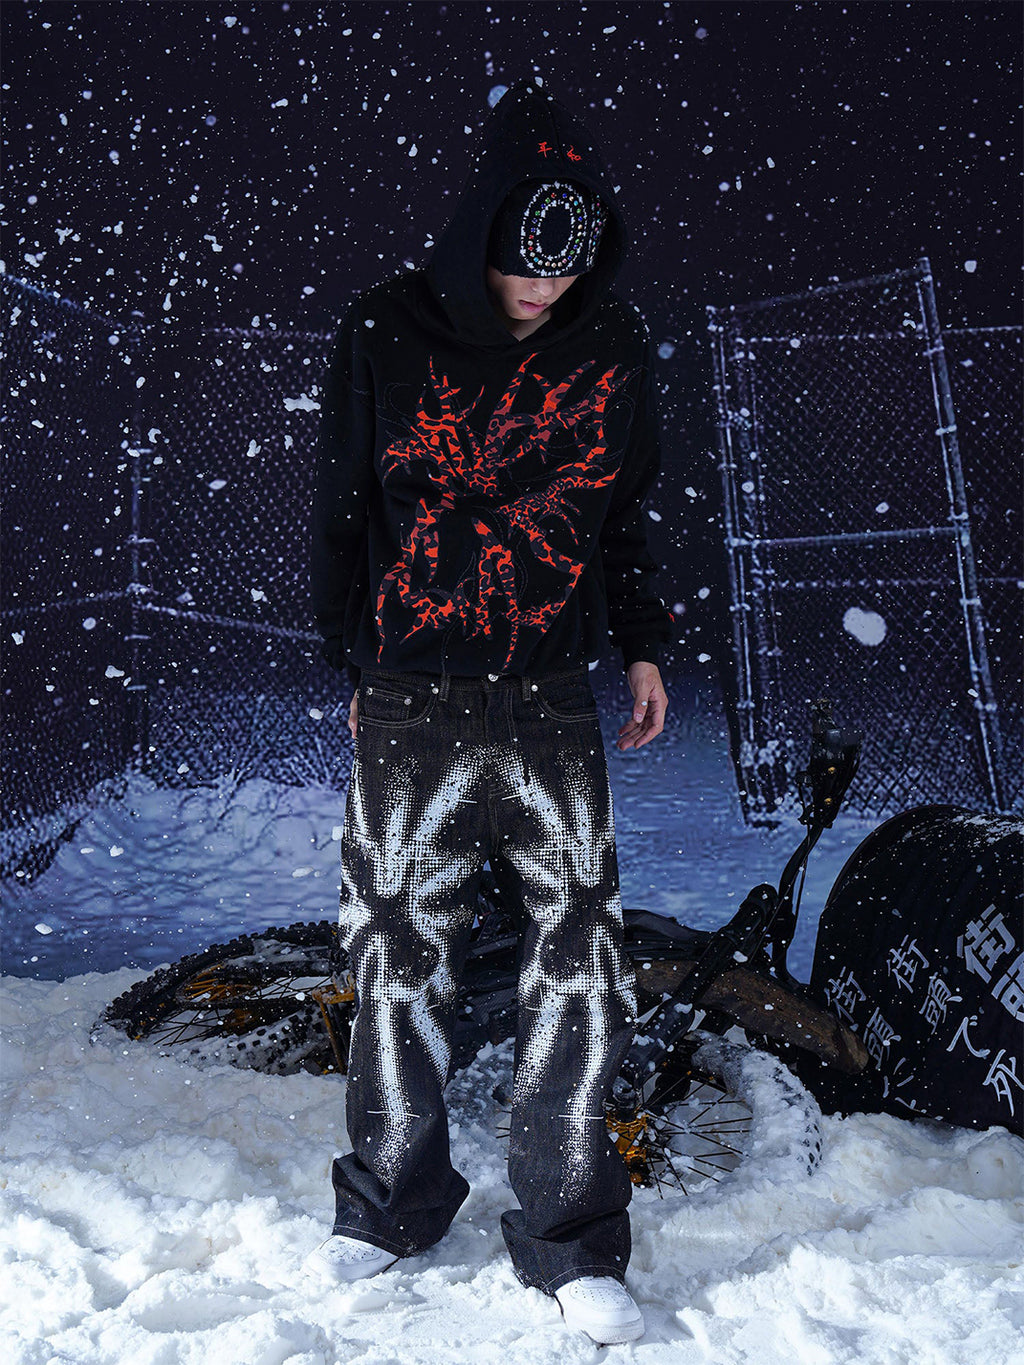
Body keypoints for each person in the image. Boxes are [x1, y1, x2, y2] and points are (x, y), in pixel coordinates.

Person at [306, 78, 674, 1347]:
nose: (541, 292)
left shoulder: (608, 339)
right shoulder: (386, 327)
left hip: (549, 694)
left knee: (579, 954)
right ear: (479, 236)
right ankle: (388, 1209)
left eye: (564, 273)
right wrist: (353, 666)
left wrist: (645, 645)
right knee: (393, 946)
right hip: (410, 689)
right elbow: (340, 507)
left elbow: (625, 511)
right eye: (523, 267)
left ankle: (570, 1239)